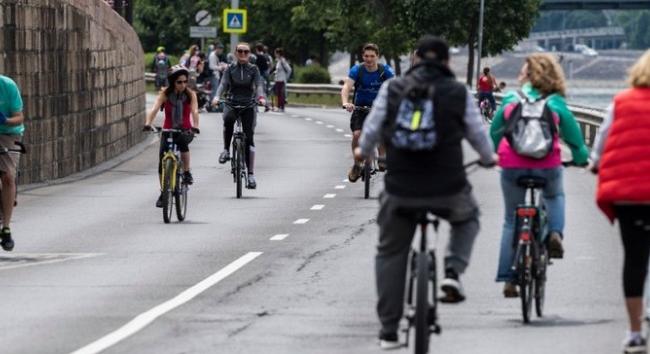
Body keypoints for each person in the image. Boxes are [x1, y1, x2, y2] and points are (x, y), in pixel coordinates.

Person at [356, 35, 496, 349]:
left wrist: (363, 153)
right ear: (447, 62)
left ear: (415, 60)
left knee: (390, 252)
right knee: (468, 218)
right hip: (448, 187)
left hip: (400, 187)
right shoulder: (458, 92)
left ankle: (389, 331)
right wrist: (488, 159)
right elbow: (479, 138)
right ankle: (452, 271)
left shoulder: (392, 89)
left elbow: (369, 135)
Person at [489, 53, 589, 297]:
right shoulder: (555, 103)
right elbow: (575, 141)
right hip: (547, 164)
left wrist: (494, 156)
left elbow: (495, 133)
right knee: (554, 196)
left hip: (512, 166)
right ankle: (554, 232)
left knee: (511, 220)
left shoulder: (512, 99)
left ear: (526, 75)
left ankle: (509, 279)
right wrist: (580, 159)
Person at [590, 49, 650, 354]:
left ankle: (635, 334)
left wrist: (595, 162)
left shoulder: (622, 101)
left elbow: (603, 137)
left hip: (630, 195)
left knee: (635, 260)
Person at [143, 66, 200, 207]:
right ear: (173, 82)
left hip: (186, 130)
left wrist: (196, 126)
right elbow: (155, 108)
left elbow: (195, 110)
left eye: (185, 81)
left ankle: (186, 173)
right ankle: (163, 192)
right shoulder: (165, 94)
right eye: (179, 82)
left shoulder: (190, 94)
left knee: (182, 143)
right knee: (162, 162)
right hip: (168, 130)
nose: (183, 85)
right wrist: (148, 123)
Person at [212, 43, 267, 189]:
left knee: (249, 137)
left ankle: (250, 175)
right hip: (232, 101)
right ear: (236, 53)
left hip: (249, 103)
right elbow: (223, 84)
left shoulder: (253, 69)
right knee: (228, 120)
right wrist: (216, 97)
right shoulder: (230, 69)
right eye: (240, 51)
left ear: (249, 54)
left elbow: (259, 85)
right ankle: (225, 150)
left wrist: (261, 98)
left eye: (246, 51)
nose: (243, 54)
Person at [341, 43, 394, 182]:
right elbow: (347, 87)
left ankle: (382, 157)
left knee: (381, 132)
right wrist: (346, 102)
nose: (369, 59)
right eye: (366, 56)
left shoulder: (385, 71)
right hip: (360, 108)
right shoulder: (357, 70)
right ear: (362, 56)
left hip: (380, 108)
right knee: (357, 134)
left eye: (372, 56)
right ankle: (357, 165)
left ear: (378, 56)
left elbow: (395, 87)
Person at [0, 75, 25, 251]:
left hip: (9, 134)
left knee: (8, 177)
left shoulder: (8, 86)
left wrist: (5, 120)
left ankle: (6, 228)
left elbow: (19, 117)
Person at [272, 48, 291, 112]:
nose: (275, 54)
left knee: (280, 94)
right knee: (277, 94)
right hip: (277, 80)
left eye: (275, 53)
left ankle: (281, 107)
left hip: (281, 80)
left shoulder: (283, 61)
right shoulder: (278, 61)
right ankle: (278, 106)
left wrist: (286, 78)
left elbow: (289, 70)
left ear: (278, 54)